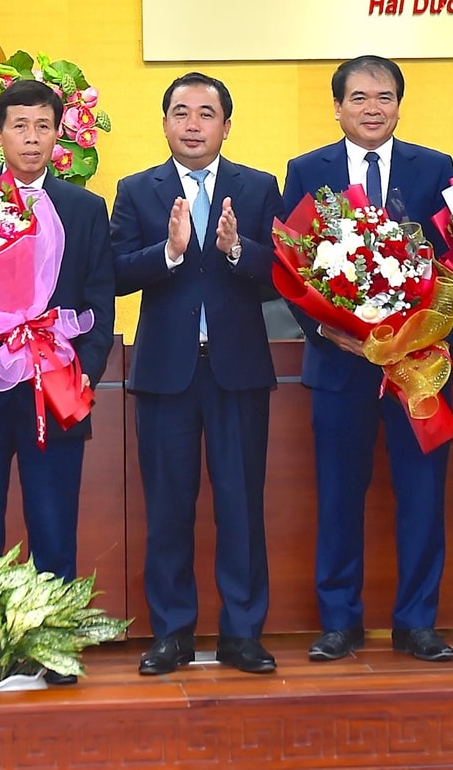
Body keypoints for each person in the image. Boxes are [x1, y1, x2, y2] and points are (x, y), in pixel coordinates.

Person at [279, 55, 453, 664]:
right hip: (341, 365)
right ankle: (339, 622)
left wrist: (419, 337)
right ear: (338, 107)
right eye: (359, 98)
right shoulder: (308, 170)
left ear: (399, 105)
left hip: (418, 368)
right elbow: (290, 266)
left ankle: (417, 623)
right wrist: (332, 334)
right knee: (337, 497)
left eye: (384, 97)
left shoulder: (434, 168)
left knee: (422, 496)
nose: (372, 108)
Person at [0, 80, 114, 681]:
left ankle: (53, 646)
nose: (32, 137)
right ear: (0, 133)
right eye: (20, 125)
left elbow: (99, 297)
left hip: (55, 388)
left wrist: (84, 368)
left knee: (53, 525)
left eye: (43, 126)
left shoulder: (86, 209)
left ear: (59, 133)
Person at [112, 73, 283, 677]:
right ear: (164, 123)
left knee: (241, 505)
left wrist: (238, 250)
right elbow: (114, 272)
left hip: (237, 372)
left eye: (205, 113)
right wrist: (169, 252)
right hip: (166, 375)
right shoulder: (137, 190)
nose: (192, 123)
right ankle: (172, 634)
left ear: (225, 126)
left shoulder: (258, 188)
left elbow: (284, 275)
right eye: (180, 112)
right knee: (168, 508)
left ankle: (242, 634)